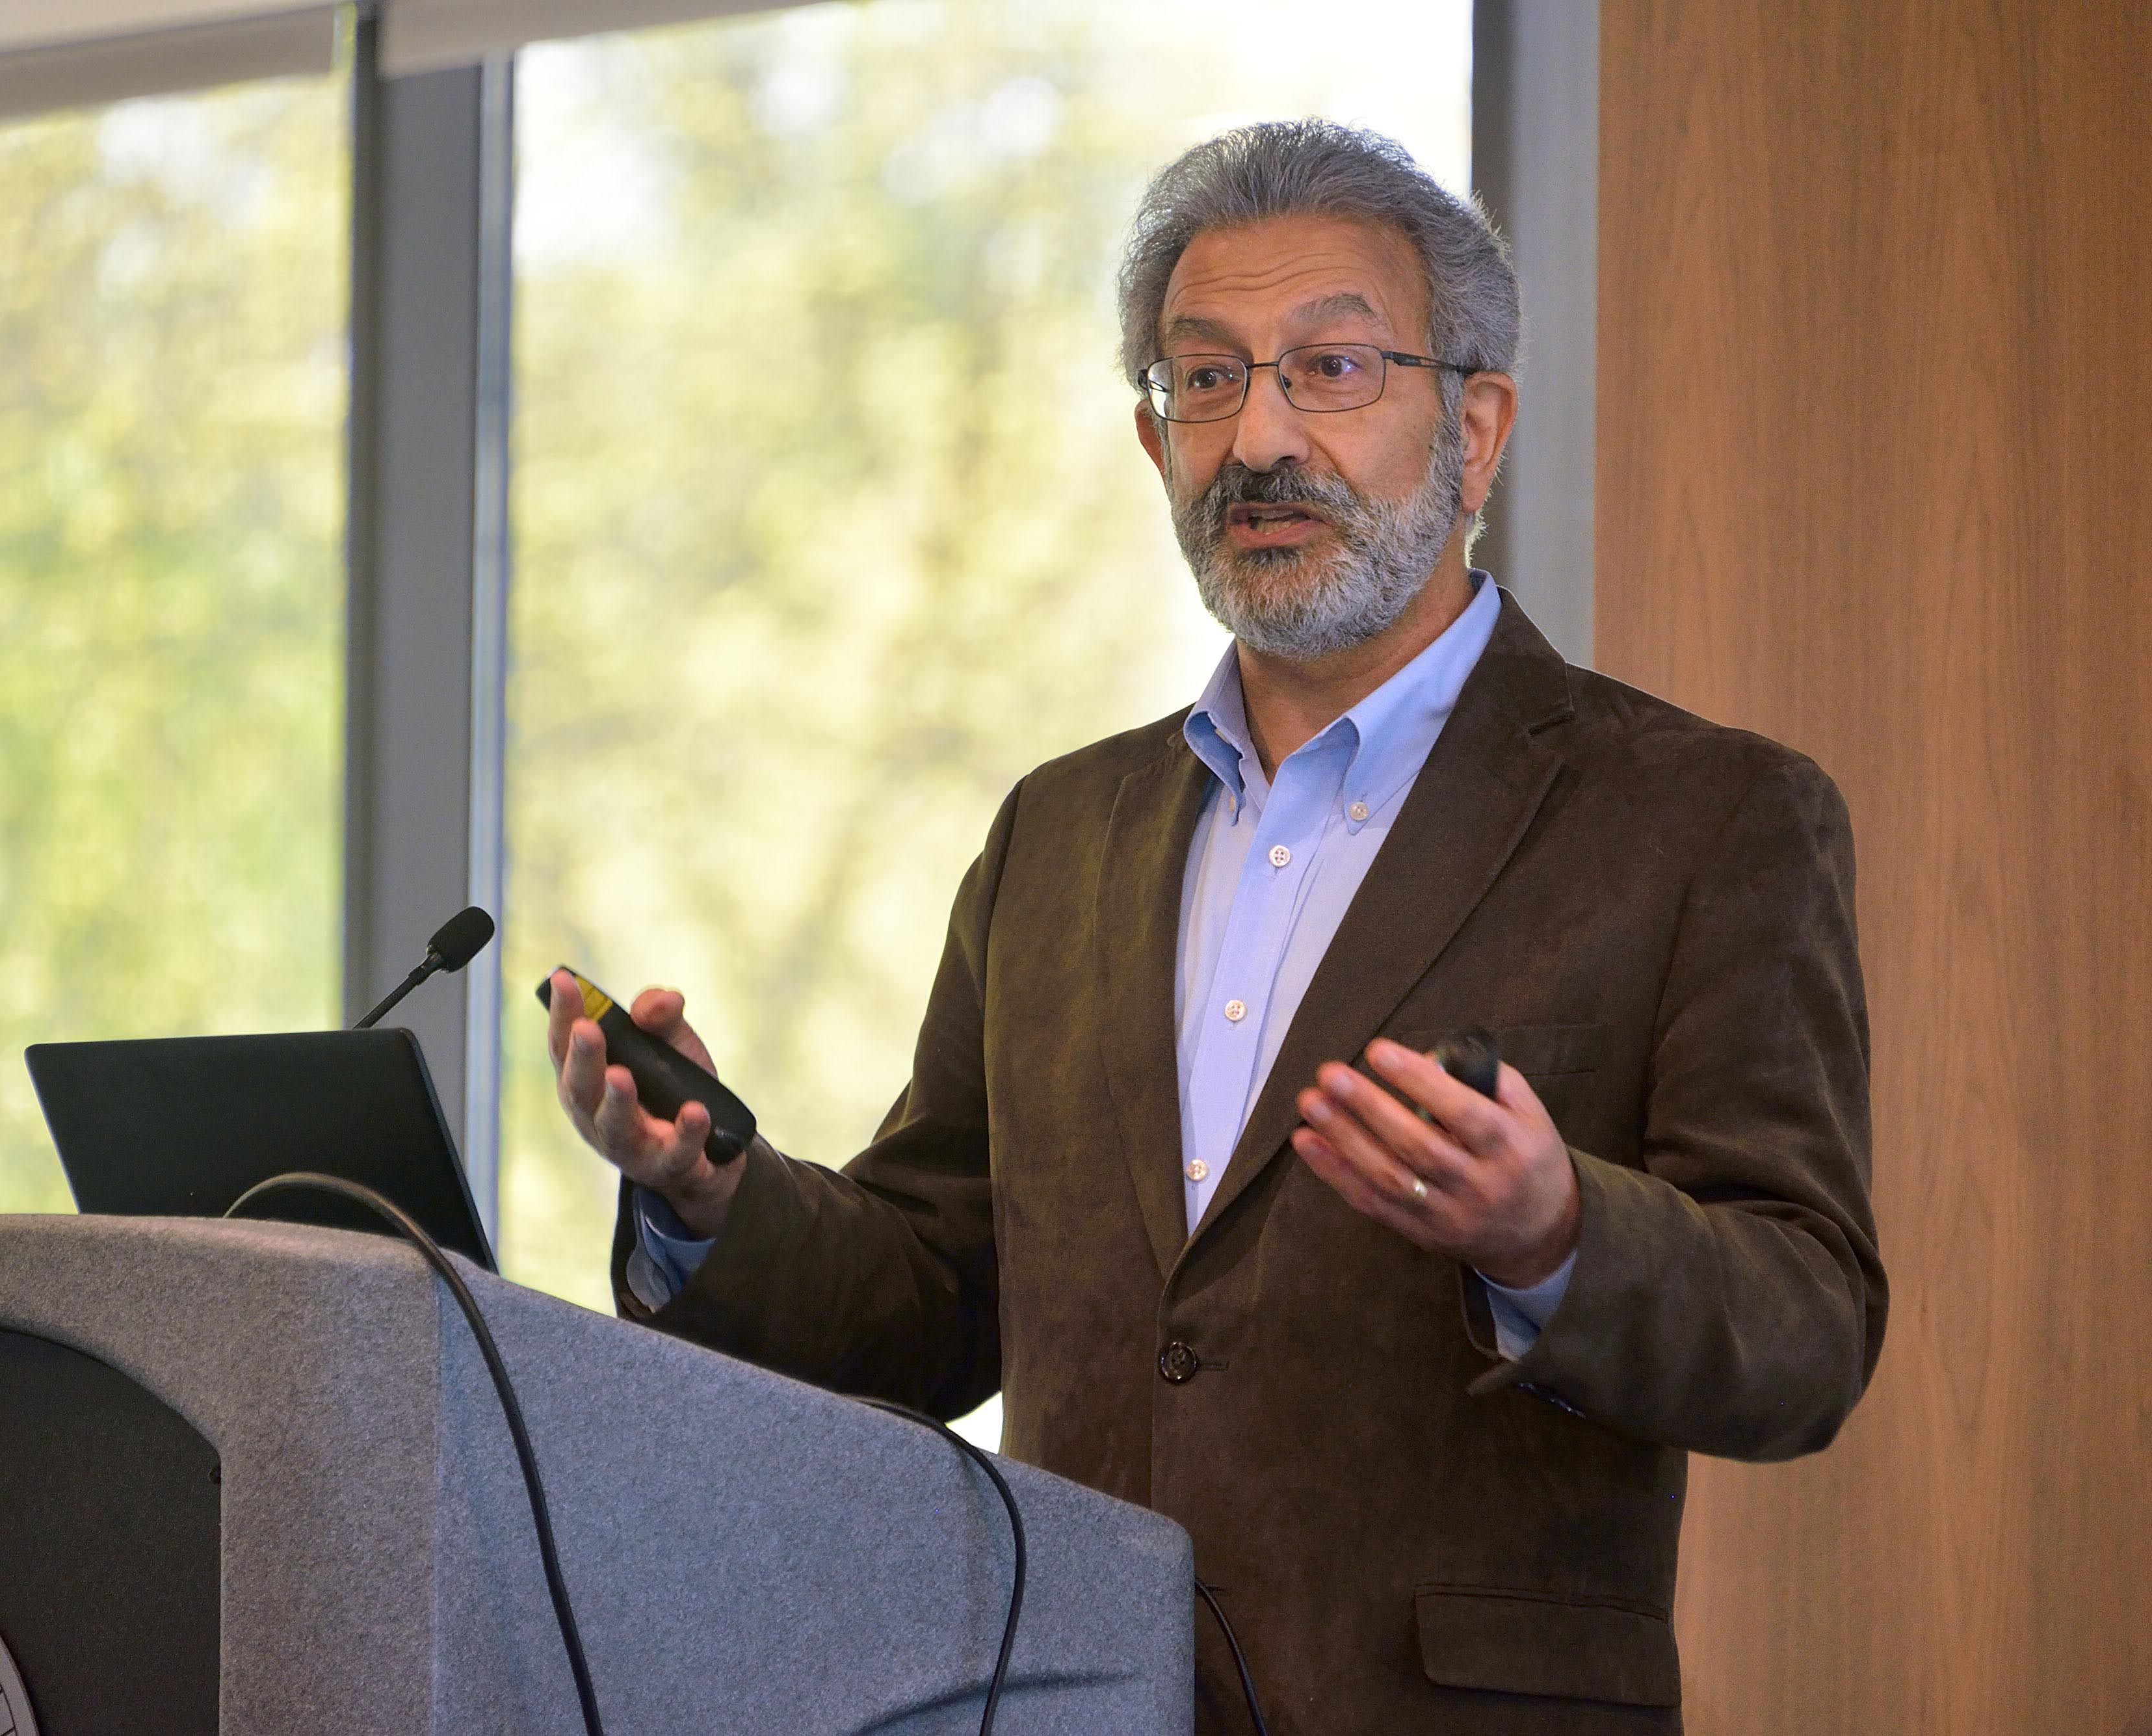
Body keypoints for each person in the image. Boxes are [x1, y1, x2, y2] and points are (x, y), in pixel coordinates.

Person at [545, 119, 1885, 1735]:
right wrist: (711, 1194)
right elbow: (929, 1298)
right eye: (1203, 380)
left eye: (1328, 369)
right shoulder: (1059, 834)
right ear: (1150, 437)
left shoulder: (1702, 817)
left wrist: (1555, 1236)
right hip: (1061, 1703)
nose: (1256, 440)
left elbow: (1804, 1325)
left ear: (1475, 428)